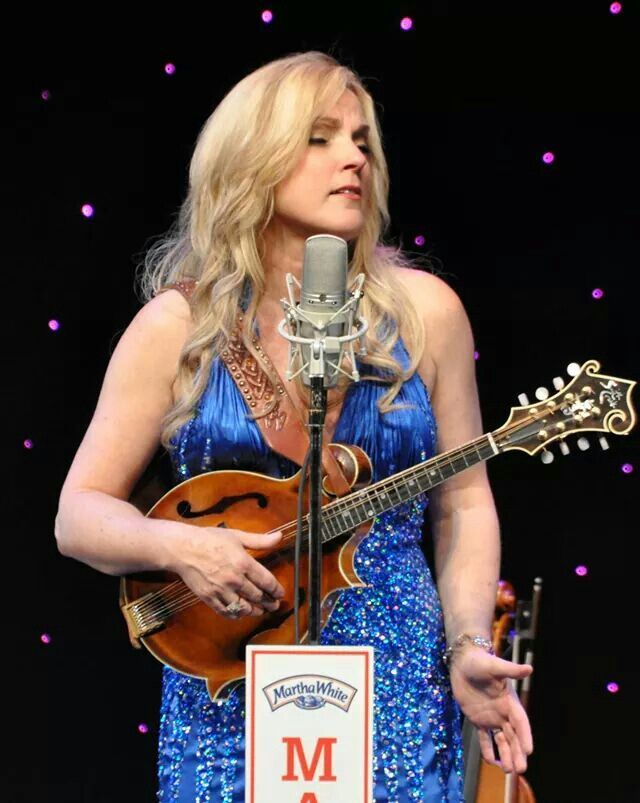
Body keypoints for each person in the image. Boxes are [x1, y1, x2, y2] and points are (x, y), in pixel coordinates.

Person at [55, 51, 533, 802]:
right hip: (231, 687)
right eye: (320, 137)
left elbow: (465, 502)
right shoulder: (177, 326)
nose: (353, 157)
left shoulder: (426, 312)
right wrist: (181, 546)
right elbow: (78, 514)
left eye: (362, 140)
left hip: (397, 680)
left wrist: (467, 644)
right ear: (254, 157)